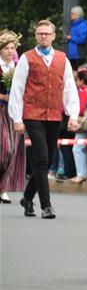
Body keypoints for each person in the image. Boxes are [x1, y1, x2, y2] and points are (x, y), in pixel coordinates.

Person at [8, 20, 80, 219]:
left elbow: (69, 88)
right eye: (40, 34)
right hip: (32, 114)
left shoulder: (62, 59)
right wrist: (16, 118)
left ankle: (27, 197)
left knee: (45, 161)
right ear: (36, 36)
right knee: (42, 158)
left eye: (47, 34)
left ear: (53, 36)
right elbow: (18, 88)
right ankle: (46, 206)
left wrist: (73, 115)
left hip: (54, 115)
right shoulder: (26, 58)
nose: (43, 37)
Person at [0, 30, 25, 204]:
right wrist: (3, 97)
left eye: (12, 47)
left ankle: (3, 188)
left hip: (14, 112)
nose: (10, 51)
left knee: (13, 151)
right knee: (5, 149)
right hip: (0, 110)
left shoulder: (18, 67)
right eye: (6, 48)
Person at [69, 67, 87, 184]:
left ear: (81, 80)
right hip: (85, 123)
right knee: (78, 147)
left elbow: (82, 108)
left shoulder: (86, 90)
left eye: (77, 80)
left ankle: (84, 174)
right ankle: (82, 174)